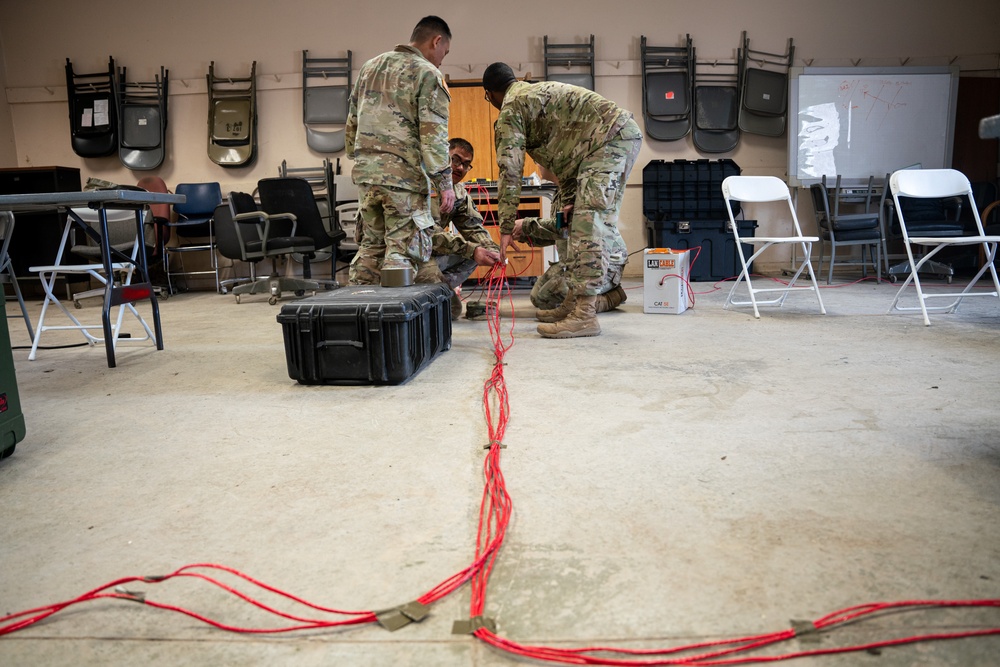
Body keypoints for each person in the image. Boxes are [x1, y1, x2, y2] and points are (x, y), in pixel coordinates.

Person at [483, 62, 642, 338]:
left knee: (587, 221)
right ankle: (572, 304)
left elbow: (510, 171)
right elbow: (567, 160)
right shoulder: (531, 97)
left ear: (490, 94)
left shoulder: (511, 107)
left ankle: (585, 315)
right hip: (592, 151)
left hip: (609, 140)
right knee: (571, 219)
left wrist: (506, 227)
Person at [344, 15, 456, 287]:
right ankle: (395, 326)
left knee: (370, 248)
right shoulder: (428, 73)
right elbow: (434, 137)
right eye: (445, 52)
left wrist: (362, 160)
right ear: (436, 41)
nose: (442, 59)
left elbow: (352, 123)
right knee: (401, 252)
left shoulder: (370, 67)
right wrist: (445, 184)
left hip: (367, 177)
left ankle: (360, 318)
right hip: (403, 181)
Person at [511, 165, 627, 321]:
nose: (538, 165)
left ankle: (609, 298)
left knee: (552, 295)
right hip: (574, 262)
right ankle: (599, 293)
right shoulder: (561, 191)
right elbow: (560, 233)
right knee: (538, 297)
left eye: (542, 161)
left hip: (602, 261)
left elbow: (568, 227)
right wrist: (524, 235)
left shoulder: (579, 190)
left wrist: (526, 225)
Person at [430, 138, 501, 317]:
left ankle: (438, 290)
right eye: (455, 160)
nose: (460, 168)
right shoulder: (423, 186)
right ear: (443, 157)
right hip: (410, 256)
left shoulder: (459, 192)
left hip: (432, 253)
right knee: (452, 311)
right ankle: (429, 291)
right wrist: (471, 249)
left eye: (466, 164)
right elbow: (427, 235)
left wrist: (492, 250)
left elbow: (473, 227)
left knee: (479, 251)